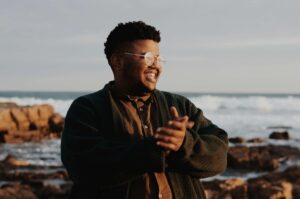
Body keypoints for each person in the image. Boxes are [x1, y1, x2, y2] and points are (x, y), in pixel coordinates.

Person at [61, 21, 228, 199]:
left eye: (158, 58)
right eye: (147, 57)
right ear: (118, 61)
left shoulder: (180, 105)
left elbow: (218, 156)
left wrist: (184, 144)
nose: (155, 65)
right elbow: (82, 167)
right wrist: (154, 149)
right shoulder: (88, 108)